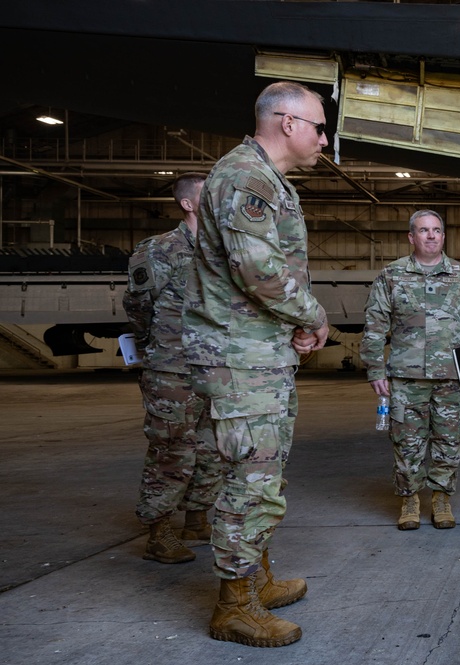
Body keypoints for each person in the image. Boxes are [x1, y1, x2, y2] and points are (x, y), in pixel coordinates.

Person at [183, 81, 330, 648]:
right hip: (238, 355)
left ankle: (255, 578)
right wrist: (313, 315)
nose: (324, 139)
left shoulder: (267, 180)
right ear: (288, 123)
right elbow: (259, 270)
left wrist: (289, 324)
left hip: (257, 350)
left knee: (261, 471)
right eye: (319, 127)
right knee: (251, 477)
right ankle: (234, 606)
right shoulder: (246, 177)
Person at [361, 210, 460, 532]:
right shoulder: (391, 276)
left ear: (443, 236)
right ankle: (410, 499)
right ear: (412, 237)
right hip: (406, 377)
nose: (432, 235)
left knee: (448, 439)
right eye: (424, 231)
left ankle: (440, 497)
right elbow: (374, 325)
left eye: (437, 230)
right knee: (407, 442)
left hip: (451, 376)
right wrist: (374, 369)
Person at [124, 172, 222, 565]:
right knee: (172, 450)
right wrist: (162, 345)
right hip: (173, 369)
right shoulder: (160, 250)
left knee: (212, 449)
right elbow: (138, 306)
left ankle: (197, 518)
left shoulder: (223, 249)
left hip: (214, 367)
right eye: (207, 195)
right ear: (188, 204)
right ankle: (159, 529)